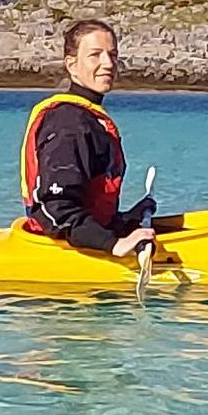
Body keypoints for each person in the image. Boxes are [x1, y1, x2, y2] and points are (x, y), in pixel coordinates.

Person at [19, 18, 161, 260]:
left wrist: (126, 220)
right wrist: (113, 245)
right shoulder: (68, 124)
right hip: (62, 249)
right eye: (95, 55)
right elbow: (57, 208)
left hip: (82, 235)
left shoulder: (86, 118)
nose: (108, 64)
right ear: (72, 65)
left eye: (113, 55)